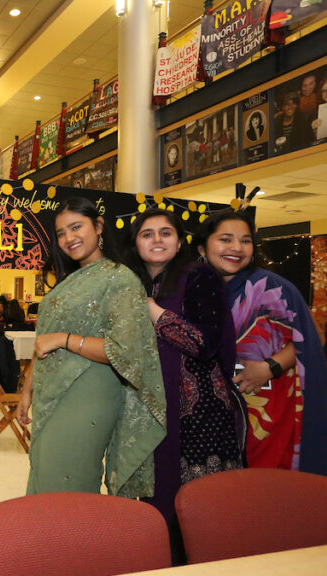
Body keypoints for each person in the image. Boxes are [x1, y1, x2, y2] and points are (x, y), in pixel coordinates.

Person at [15, 197, 165, 497]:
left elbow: (125, 350)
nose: (68, 238)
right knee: (47, 472)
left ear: (98, 227)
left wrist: (65, 340)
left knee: (68, 479)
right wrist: (27, 389)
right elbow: (44, 340)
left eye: (76, 227)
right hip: (52, 392)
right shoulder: (70, 279)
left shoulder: (120, 279)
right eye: (60, 233)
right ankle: (53, 540)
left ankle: (73, 540)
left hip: (90, 392)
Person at [123, 209, 246, 564]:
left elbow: (205, 344)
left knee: (199, 508)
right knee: (157, 501)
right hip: (153, 413)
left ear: (179, 242)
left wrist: (154, 312)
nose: (157, 240)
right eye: (148, 234)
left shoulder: (199, 278)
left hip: (199, 418)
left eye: (166, 233)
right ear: (135, 243)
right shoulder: (133, 284)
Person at [196, 210, 327, 478]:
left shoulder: (273, 287)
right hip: (213, 410)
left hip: (268, 410)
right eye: (226, 239)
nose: (236, 248)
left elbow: (314, 338)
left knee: (267, 488)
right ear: (203, 247)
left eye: (245, 240)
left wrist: (268, 367)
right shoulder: (194, 289)